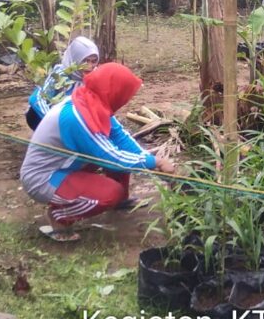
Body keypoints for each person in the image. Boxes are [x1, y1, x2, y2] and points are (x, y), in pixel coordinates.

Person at [20, 62, 176, 241]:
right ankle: (60, 216)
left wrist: (149, 159)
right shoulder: (76, 116)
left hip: (66, 166)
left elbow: (120, 138)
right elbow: (110, 156)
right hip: (43, 179)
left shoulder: (91, 101)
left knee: (120, 158)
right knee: (110, 193)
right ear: (115, 92)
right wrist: (155, 162)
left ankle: (119, 200)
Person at [26, 36, 100, 130]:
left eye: (94, 61)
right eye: (85, 61)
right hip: (47, 115)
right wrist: (54, 122)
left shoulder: (96, 75)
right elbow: (36, 99)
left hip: (73, 116)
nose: (90, 66)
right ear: (75, 59)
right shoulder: (61, 74)